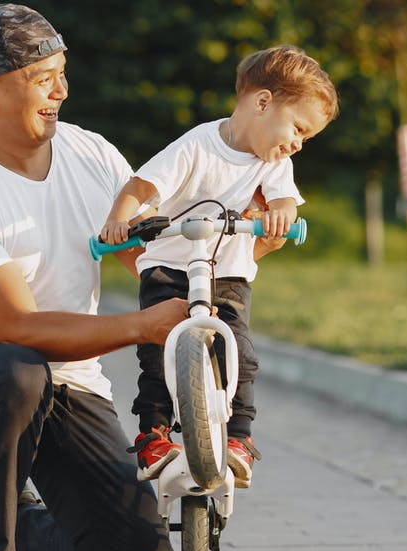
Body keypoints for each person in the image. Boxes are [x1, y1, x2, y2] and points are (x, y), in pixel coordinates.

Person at [0, 2, 191, 551]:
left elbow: (149, 262)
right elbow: (15, 327)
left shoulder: (91, 155)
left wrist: (235, 246)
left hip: (70, 383)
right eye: (43, 77)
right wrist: (141, 327)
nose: (62, 90)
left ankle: (9, 531)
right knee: (17, 369)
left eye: (62, 72)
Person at [98, 45, 339, 489]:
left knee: (240, 353)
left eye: (307, 138)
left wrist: (281, 215)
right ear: (262, 103)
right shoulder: (197, 145)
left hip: (226, 272)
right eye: (298, 128)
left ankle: (238, 440)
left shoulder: (275, 162)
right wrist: (119, 219)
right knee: (156, 350)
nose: (298, 144)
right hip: (169, 267)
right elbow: (142, 184)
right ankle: (154, 433)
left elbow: (284, 199)